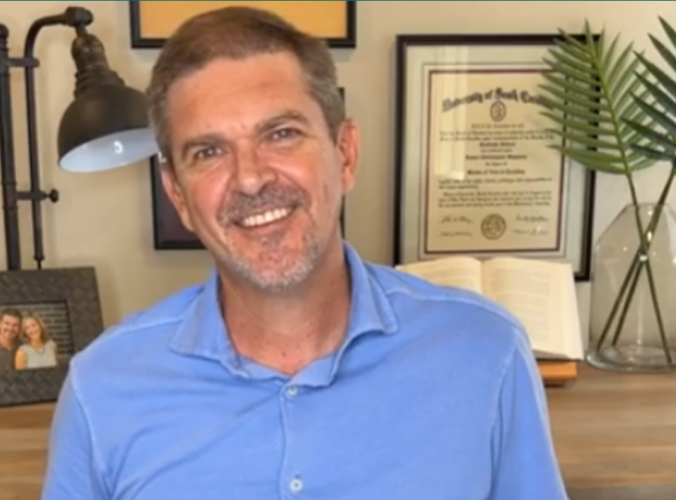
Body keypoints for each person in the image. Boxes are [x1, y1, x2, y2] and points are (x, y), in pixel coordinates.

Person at [40, 6, 568, 500]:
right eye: (209, 151)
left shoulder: (486, 353)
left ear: (345, 154)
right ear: (178, 194)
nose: (250, 178)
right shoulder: (103, 388)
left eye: (281, 133)